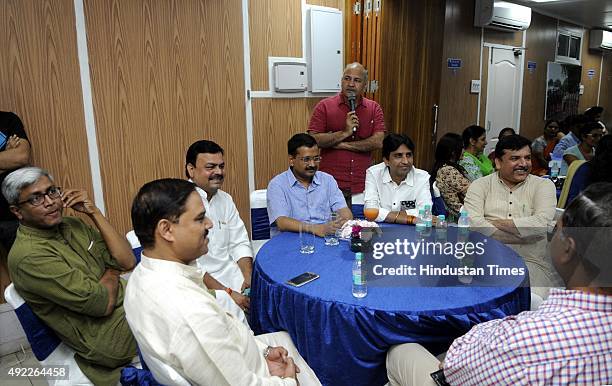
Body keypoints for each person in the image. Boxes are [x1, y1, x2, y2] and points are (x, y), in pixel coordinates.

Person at [386, 182, 612, 386]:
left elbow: (453, 369)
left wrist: (478, 338)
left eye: (555, 231)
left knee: (401, 351)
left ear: (567, 249)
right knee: (532, 300)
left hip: (467, 364)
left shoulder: (524, 340)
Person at [126, 178, 321, 385]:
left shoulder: (141, 275)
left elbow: (223, 338)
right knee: (312, 342)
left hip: (250, 356)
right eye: (200, 219)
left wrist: (263, 351)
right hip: (261, 377)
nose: (210, 224)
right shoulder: (190, 311)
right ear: (166, 230)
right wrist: (289, 381)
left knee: (293, 337)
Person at [2, 167, 137, 384]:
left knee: (189, 299)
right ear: (17, 211)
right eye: (36, 198)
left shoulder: (73, 224)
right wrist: (112, 271)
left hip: (130, 304)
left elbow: (127, 261)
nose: (50, 202)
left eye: (52, 191)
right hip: (107, 337)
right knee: (186, 321)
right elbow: (101, 303)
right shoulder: (29, 256)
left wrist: (94, 212)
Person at [463, 135, 558, 297]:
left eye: (527, 158)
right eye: (515, 158)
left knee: (532, 301)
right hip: (485, 259)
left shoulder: (543, 185)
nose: (523, 164)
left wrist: (491, 223)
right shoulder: (480, 186)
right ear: (498, 163)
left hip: (531, 262)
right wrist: (524, 235)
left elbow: (541, 223)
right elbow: (473, 223)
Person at [185, 140, 251, 311]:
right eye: (210, 167)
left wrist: (248, 276)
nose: (218, 172)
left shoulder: (225, 199)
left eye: (221, 166)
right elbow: (191, 266)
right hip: (203, 286)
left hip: (235, 277)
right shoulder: (180, 203)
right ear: (191, 170)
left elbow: (239, 242)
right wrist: (227, 293)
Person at [307, 62, 385, 207]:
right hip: (330, 185)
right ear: (341, 81)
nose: (351, 84)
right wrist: (345, 132)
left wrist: (341, 144)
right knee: (332, 227)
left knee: (360, 227)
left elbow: (377, 142)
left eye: (357, 80)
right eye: (347, 78)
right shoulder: (324, 106)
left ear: (365, 85)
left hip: (363, 184)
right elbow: (313, 139)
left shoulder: (374, 108)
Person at [267, 133, 352, 236]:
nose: (312, 164)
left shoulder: (328, 180)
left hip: (324, 238)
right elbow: (282, 222)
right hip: (290, 240)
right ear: (291, 160)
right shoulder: (277, 184)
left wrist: (344, 220)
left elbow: (343, 211)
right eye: (306, 159)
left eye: (316, 158)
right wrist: (315, 229)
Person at [364, 133, 431, 224]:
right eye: (398, 156)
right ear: (386, 161)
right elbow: (370, 210)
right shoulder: (373, 174)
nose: (405, 161)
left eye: (408, 155)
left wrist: (388, 215)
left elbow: (426, 212)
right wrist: (409, 219)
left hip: (411, 232)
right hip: (381, 230)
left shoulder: (422, 177)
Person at [0, 111, 31, 251]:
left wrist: (12, 155)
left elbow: (20, 156)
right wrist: (6, 155)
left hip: (13, 214)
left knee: (27, 264)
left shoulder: (7, 120)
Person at [430, 133, 470, 221]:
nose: (464, 151)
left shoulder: (442, 167)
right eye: (462, 148)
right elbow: (472, 193)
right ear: (453, 151)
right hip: (460, 218)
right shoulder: (448, 171)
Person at [566, 134, 612, 205]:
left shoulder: (585, 167)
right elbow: (576, 198)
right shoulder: (587, 168)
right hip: (588, 210)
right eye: (595, 135)